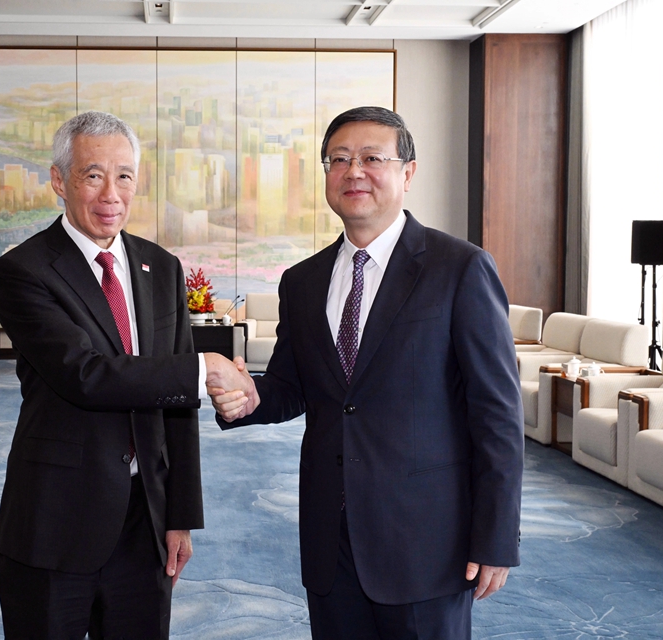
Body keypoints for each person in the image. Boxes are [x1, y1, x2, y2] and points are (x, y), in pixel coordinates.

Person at [211, 106, 524, 639]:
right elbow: (292, 387)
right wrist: (249, 398)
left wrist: (495, 535)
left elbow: (496, 412)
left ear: (407, 172)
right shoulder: (303, 281)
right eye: (339, 159)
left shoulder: (460, 268)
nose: (353, 171)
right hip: (331, 538)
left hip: (426, 538)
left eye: (372, 158)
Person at [0, 111, 248, 639]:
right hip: (56, 521)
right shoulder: (21, 272)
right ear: (60, 181)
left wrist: (180, 515)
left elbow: (178, 406)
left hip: (144, 524)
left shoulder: (161, 267)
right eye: (92, 175)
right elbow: (86, 375)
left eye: (124, 175)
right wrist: (203, 368)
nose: (112, 193)